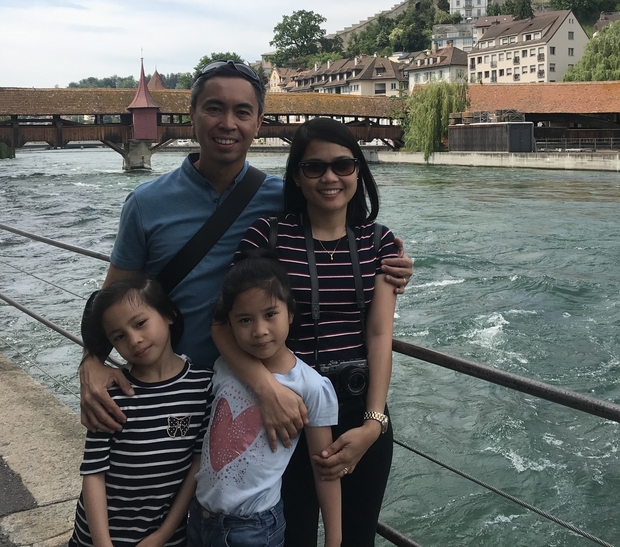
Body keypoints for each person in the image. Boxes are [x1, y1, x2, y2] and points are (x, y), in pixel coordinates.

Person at [80, 60, 415, 443]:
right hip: (175, 394)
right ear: (191, 114)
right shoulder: (145, 204)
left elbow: (339, 233)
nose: (228, 123)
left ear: (258, 123)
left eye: (242, 112)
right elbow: (111, 300)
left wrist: (391, 263)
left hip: (259, 399)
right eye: (214, 108)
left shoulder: (285, 199)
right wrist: (91, 361)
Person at [215, 117, 398, 547]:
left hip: (358, 410)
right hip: (285, 413)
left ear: (358, 171)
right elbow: (222, 324)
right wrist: (267, 393)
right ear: (297, 176)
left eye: (343, 165)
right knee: (292, 535)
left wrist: (373, 424)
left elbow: (379, 335)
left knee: (356, 539)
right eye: (314, 167)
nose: (330, 177)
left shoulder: (379, 243)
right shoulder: (268, 237)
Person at [190, 250, 341, 547]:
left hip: (254, 527)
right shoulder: (225, 366)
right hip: (201, 515)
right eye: (245, 320)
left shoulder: (310, 386)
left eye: (270, 314)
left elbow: (324, 468)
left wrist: (334, 539)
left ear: (290, 313)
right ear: (230, 323)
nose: (259, 331)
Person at [69, 276, 212, 547]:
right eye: (119, 336)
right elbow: (94, 472)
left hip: (165, 539)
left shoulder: (203, 386)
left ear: (168, 315)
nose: (134, 340)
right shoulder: (111, 393)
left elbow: (197, 464)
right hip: (96, 539)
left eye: (140, 323)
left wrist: (162, 535)